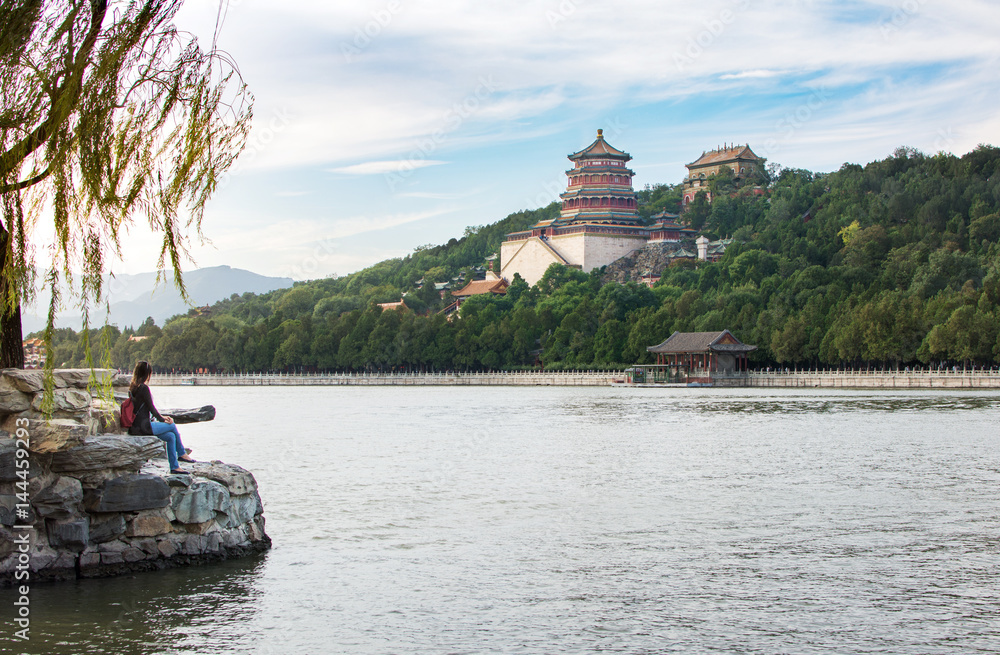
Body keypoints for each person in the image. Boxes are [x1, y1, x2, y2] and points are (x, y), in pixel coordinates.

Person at [128, 360, 195, 475]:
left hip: (137, 426)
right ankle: (182, 454)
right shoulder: (143, 388)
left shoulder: (133, 387)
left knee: (170, 437)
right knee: (172, 425)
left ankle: (174, 467)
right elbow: (151, 408)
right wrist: (163, 419)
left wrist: (162, 418)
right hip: (144, 427)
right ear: (147, 374)